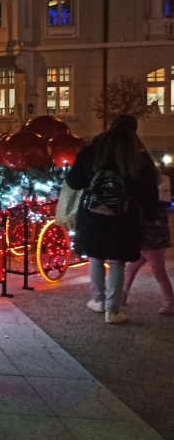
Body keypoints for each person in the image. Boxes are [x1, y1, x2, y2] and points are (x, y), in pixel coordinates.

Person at [66, 114, 159, 323]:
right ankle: (112, 311)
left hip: (92, 216)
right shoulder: (138, 158)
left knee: (95, 257)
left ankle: (98, 301)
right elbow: (149, 193)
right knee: (117, 262)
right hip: (124, 218)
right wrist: (150, 217)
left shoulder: (90, 152)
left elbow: (73, 182)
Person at [122, 174, 174, 315]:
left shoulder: (148, 203)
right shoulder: (157, 202)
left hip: (152, 242)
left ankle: (170, 302)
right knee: (130, 267)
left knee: (158, 271)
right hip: (149, 241)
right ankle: (122, 294)